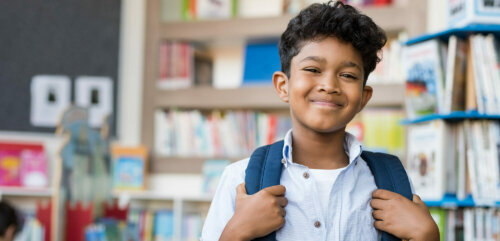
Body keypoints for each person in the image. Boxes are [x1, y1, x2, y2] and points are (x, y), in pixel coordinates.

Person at [201, 1, 440, 241]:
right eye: (313, 69)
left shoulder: (392, 181)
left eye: (347, 75)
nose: (329, 86)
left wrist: (427, 235)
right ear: (283, 86)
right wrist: (236, 233)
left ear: (363, 98)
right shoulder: (239, 180)